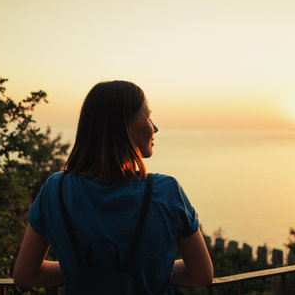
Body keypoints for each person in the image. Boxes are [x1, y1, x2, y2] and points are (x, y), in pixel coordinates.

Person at [13, 80, 213, 294]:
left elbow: (25, 276)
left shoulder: (56, 190)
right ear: (125, 126)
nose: (155, 127)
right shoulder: (166, 192)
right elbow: (201, 274)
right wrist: (152, 270)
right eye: (147, 116)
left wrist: (80, 270)